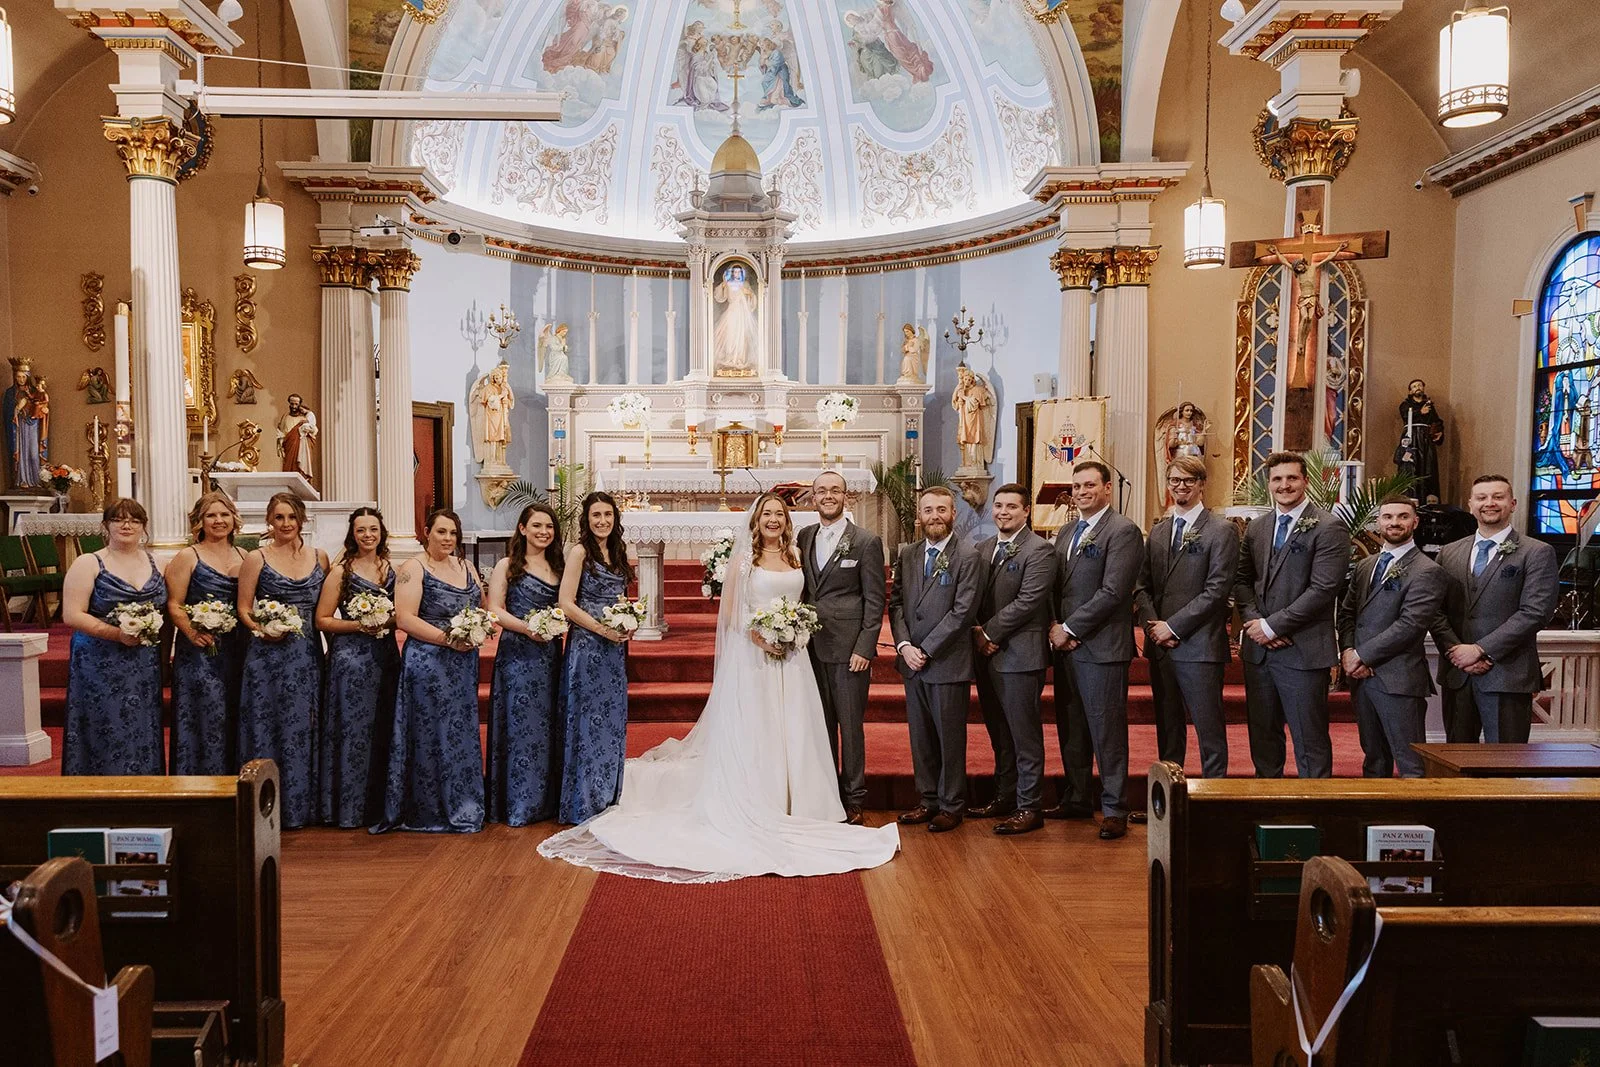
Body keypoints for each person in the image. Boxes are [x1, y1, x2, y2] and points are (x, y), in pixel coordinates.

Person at [538, 493, 900, 881]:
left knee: (797, 729)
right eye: (767, 515)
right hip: (756, 657)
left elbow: (805, 603)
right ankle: (763, 799)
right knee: (759, 730)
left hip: (793, 662)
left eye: (779, 514)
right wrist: (760, 636)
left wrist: (794, 631)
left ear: (787, 520)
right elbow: (730, 612)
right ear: (756, 521)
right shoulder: (744, 559)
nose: (773, 520)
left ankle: (806, 803)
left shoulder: (797, 553)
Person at [1234, 452, 1348, 779]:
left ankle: (1315, 814)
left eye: (1292, 478)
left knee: (1309, 741)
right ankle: (1268, 812)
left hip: (1302, 651)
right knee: (1264, 739)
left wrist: (1273, 626)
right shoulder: (1258, 528)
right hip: (1259, 654)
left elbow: (1323, 589)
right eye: (1277, 479)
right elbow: (1242, 580)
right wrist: (1256, 623)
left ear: (1305, 481)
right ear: (1269, 484)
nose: (1284, 486)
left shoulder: (1328, 527)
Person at [374, 509, 486, 833]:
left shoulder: (466, 567)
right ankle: (429, 808)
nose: (447, 538)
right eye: (441, 532)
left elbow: (481, 606)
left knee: (459, 733)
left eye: (452, 532)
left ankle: (463, 801)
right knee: (430, 734)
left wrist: (475, 630)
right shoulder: (414, 567)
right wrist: (448, 639)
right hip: (428, 662)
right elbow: (405, 618)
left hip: (462, 663)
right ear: (426, 532)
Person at [1049, 461, 1143, 839]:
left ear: (1107, 488)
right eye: (1076, 486)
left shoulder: (1123, 531)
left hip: (1101, 647)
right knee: (1071, 728)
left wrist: (1069, 628)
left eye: (1090, 485)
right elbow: (1055, 586)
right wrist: (1056, 627)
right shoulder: (1067, 530)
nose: (1082, 491)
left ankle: (1114, 806)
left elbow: (1114, 591)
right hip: (1066, 647)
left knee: (1106, 730)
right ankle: (1076, 796)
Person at [1431, 475, 1559, 743]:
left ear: (1512, 504)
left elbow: (1535, 612)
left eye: (1498, 497)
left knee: (1505, 764)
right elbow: (1434, 609)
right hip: (1458, 674)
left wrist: (1480, 650)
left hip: (1507, 673)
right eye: (1482, 498)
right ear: (1470, 505)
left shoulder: (1536, 552)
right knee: (1456, 761)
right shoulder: (1449, 553)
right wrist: (1456, 651)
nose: (1489, 503)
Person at [1135, 456, 1239, 779]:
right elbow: (1141, 586)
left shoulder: (1221, 530)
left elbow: (1217, 590)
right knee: (1168, 729)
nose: (1181, 487)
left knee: (1209, 730)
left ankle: (1215, 797)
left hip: (1199, 646)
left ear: (1202, 485)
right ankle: (1169, 798)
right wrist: (1154, 628)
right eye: (1175, 481)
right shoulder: (1160, 529)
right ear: (1168, 485)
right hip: (1162, 647)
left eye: (1188, 481)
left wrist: (1173, 627)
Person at [796, 471, 885, 824]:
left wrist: (865, 647)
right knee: (819, 726)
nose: (828, 496)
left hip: (850, 652)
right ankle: (825, 793)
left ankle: (854, 798)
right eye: (821, 491)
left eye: (835, 490)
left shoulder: (865, 541)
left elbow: (874, 600)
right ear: (812, 498)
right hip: (808, 649)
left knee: (850, 727)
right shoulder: (804, 537)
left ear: (846, 497)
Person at [890, 485, 980, 833]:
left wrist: (926, 650)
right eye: (928, 510)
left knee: (949, 737)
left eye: (942, 510)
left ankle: (952, 804)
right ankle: (927, 800)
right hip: (911, 661)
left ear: (953, 514)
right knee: (921, 737)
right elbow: (896, 603)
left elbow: (963, 611)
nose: (935, 516)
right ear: (919, 516)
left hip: (946, 661)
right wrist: (904, 646)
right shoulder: (909, 553)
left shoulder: (968, 555)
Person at [1339, 497, 1448, 778]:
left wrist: (1362, 656)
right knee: (1374, 758)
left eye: (1402, 517)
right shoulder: (1366, 566)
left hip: (1398, 679)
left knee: (1410, 762)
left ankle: (1415, 818)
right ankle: (1375, 817)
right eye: (1387, 517)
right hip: (1362, 677)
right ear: (1378, 522)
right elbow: (1348, 612)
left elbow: (1410, 625)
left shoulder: (1428, 570)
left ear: (1415, 522)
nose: (1394, 523)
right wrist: (1348, 650)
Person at [968, 483, 1055, 835]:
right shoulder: (983, 547)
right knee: (999, 733)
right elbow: (970, 595)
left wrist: (987, 634)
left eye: (1011, 507)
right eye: (998, 506)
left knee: (1024, 735)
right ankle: (1004, 796)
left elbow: (1029, 601)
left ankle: (1029, 806)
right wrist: (975, 630)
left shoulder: (1039, 550)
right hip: (987, 656)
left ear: (1026, 512)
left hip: (1020, 654)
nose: (1003, 512)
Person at [237, 492, 327, 829]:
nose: (286, 524)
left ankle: (304, 805)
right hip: (268, 657)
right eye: (279, 518)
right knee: (269, 725)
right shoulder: (256, 558)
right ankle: (265, 805)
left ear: (301, 519)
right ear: (269, 521)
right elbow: (244, 608)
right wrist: (263, 628)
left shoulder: (320, 558)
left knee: (303, 727)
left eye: (291, 517)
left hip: (306, 656)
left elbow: (325, 608)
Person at [61, 498, 165, 775]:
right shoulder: (89, 562)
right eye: (118, 519)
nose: (126, 525)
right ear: (106, 525)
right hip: (99, 659)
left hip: (142, 660)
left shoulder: (158, 563)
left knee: (141, 724)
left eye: (134, 520)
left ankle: (143, 796)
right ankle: (98, 798)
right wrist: (117, 634)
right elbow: (72, 615)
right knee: (103, 724)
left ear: (144, 526)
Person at [552, 492, 634, 825]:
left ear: (615, 518)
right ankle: (583, 799)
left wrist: (628, 619)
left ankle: (607, 793)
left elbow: (620, 597)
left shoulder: (617, 551)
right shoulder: (580, 552)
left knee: (611, 720)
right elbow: (566, 603)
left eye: (607, 515)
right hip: (587, 646)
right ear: (586, 519)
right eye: (595, 515)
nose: (602, 521)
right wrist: (601, 629)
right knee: (587, 719)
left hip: (614, 648)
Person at [314, 508, 398, 828]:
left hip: (385, 659)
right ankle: (349, 808)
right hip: (351, 662)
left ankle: (379, 805)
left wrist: (384, 620)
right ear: (352, 534)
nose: (367, 535)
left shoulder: (391, 570)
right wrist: (359, 626)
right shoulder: (341, 572)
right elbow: (323, 619)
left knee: (382, 729)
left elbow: (400, 614)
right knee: (353, 732)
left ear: (381, 532)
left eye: (373, 529)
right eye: (361, 530)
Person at [486, 503, 566, 826]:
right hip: (517, 654)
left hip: (549, 656)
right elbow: (495, 609)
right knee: (519, 725)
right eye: (536, 526)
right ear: (522, 529)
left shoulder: (558, 567)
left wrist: (552, 626)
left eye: (548, 527)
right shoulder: (507, 565)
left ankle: (544, 800)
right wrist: (527, 628)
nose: (543, 532)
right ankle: (517, 802)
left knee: (545, 725)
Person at [166, 491, 247, 775]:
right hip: (199, 649)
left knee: (234, 713)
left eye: (224, 514)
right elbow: (174, 604)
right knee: (203, 715)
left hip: (236, 648)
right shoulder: (188, 556)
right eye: (211, 515)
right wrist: (191, 630)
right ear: (199, 521)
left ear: (234, 520)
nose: (218, 520)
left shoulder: (244, 555)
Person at [277, 393, 317, 482]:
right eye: (292, 404)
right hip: (288, 448)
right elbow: (281, 432)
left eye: (296, 404)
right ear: (289, 404)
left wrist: (303, 429)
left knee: (300, 470)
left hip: (302, 449)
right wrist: (280, 443)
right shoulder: (285, 416)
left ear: (300, 405)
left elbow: (313, 431)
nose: (294, 406)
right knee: (288, 470)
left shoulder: (304, 417)